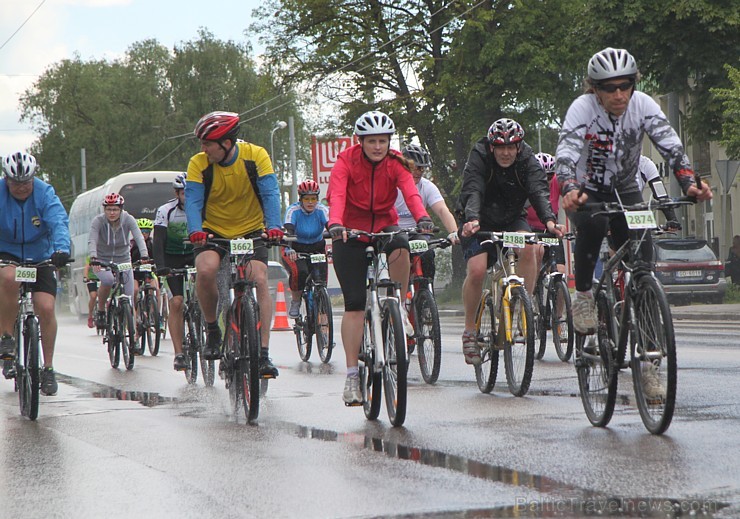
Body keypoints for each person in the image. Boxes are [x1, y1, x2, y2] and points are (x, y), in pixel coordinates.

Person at [556, 47, 712, 336]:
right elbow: (565, 153)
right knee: (596, 223)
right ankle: (585, 296)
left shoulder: (643, 105)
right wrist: (568, 187)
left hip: (627, 186)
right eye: (610, 88)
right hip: (586, 190)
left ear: (634, 84)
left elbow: (671, 145)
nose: (619, 95)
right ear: (595, 89)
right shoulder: (582, 108)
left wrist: (689, 182)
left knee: (643, 255)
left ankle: (648, 331)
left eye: (625, 85)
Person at [327, 110, 433, 405]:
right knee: (355, 305)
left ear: (389, 142)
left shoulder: (397, 163)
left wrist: (422, 217)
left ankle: (398, 303)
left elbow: (411, 194)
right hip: (349, 228)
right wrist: (335, 223)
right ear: (360, 141)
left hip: (383, 223)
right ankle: (351, 376)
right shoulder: (346, 160)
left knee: (401, 245)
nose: (377, 146)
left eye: (382, 141)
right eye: (371, 141)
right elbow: (336, 194)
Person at [185, 111, 283, 379]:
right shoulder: (198, 164)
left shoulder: (256, 156)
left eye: (207, 144)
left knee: (259, 278)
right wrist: (195, 231)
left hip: (251, 230)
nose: (203, 149)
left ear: (226, 143)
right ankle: (213, 330)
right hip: (212, 233)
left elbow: (270, 192)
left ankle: (263, 354)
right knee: (205, 270)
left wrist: (274, 226)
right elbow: (193, 201)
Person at [457, 118, 563, 365]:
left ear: (519, 147)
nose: (506, 153)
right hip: (478, 218)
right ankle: (470, 330)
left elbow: (538, 190)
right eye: (500, 147)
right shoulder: (479, 155)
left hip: (511, 217)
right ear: (492, 147)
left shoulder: (527, 160)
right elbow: (473, 188)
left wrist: (549, 220)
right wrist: (472, 219)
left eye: (511, 147)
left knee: (530, 248)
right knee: (477, 270)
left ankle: (519, 306)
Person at [0, 151, 71, 395]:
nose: (21, 188)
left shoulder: (45, 193)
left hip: (40, 255)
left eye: (26, 182)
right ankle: (7, 336)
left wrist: (62, 248)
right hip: (7, 254)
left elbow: (58, 221)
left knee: (47, 307)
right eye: (15, 183)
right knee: (9, 278)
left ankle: (48, 368)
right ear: (6, 179)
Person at [394, 144, 460, 281]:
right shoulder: (391, 185)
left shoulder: (427, 186)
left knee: (428, 255)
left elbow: (442, 210)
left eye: (422, 168)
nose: (419, 171)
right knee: (396, 258)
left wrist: (454, 232)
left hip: (417, 232)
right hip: (395, 232)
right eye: (415, 167)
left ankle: (426, 292)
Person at [89, 193, 149, 329]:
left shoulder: (128, 219)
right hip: (102, 260)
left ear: (121, 209)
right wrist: (94, 257)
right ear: (104, 210)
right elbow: (92, 240)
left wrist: (144, 255)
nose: (112, 213)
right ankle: (101, 310)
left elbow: (139, 237)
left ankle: (133, 338)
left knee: (130, 298)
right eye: (109, 209)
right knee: (108, 280)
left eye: (115, 209)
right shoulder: (98, 221)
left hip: (123, 259)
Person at [153, 173, 194, 371]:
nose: (187, 196)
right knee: (176, 302)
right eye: (183, 193)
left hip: (195, 254)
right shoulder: (165, 211)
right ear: (177, 193)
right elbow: (158, 241)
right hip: (172, 257)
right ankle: (179, 353)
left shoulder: (202, 209)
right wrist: (160, 266)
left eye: (190, 192)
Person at [281, 179, 329, 318]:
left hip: (316, 247)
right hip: (296, 247)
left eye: (313, 198)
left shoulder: (322, 210)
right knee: (300, 272)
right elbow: (289, 230)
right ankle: (296, 301)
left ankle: (323, 318)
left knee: (320, 279)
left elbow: (331, 225)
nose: (310, 202)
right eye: (306, 198)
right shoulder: (293, 210)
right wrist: (290, 249)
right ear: (301, 199)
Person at [528, 152, 566, 275]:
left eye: (549, 176)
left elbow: (570, 197)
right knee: (537, 254)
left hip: (550, 230)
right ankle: (532, 291)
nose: (545, 180)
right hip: (529, 229)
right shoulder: (527, 182)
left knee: (560, 272)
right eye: (541, 176)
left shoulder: (556, 181)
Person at [130, 217, 160, 351]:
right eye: (141, 231)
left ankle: (154, 314)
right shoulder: (132, 245)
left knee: (155, 288)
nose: (144, 234)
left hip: (148, 272)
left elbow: (158, 258)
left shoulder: (152, 244)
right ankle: (136, 315)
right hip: (135, 273)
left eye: (147, 231)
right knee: (135, 290)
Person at [83, 256, 99, 329]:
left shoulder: (105, 255)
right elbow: (86, 267)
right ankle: (90, 316)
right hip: (92, 279)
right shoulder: (90, 257)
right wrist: (86, 277)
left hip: (102, 279)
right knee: (93, 296)